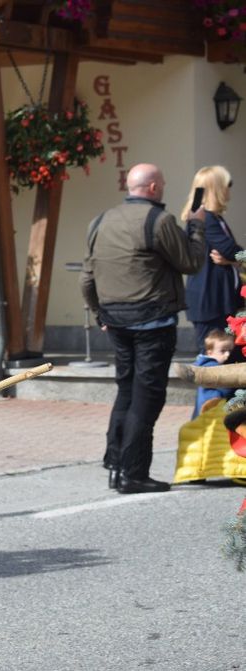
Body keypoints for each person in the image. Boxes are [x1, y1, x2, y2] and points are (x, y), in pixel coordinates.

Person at [80, 162, 206, 494]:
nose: (163, 189)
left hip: (116, 321)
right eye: (162, 184)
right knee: (146, 397)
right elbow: (191, 262)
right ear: (152, 188)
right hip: (153, 322)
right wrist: (195, 228)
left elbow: (87, 278)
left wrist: (100, 314)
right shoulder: (159, 221)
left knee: (126, 390)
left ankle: (115, 464)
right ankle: (133, 473)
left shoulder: (100, 220)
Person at [183, 166, 241, 353]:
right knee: (214, 360)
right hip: (210, 303)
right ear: (217, 188)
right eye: (227, 185)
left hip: (219, 302)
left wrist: (233, 260)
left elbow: (230, 255)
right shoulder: (205, 218)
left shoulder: (214, 218)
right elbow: (230, 250)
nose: (229, 189)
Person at [190, 329, 237, 419]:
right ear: (210, 352)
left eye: (230, 351)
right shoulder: (212, 367)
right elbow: (225, 386)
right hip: (211, 410)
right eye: (222, 351)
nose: (227, 354)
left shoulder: (203, 365)